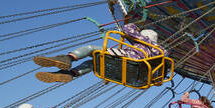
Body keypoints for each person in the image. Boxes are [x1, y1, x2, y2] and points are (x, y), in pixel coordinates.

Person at [33, 24, 163, 83]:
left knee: (92, 49)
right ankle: (69, 74)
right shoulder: (159, 52)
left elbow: (127, 28)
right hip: (131, 75)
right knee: (95, 63)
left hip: (125, 60)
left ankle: (67, 58)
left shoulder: (143, 41)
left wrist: (136, 28)